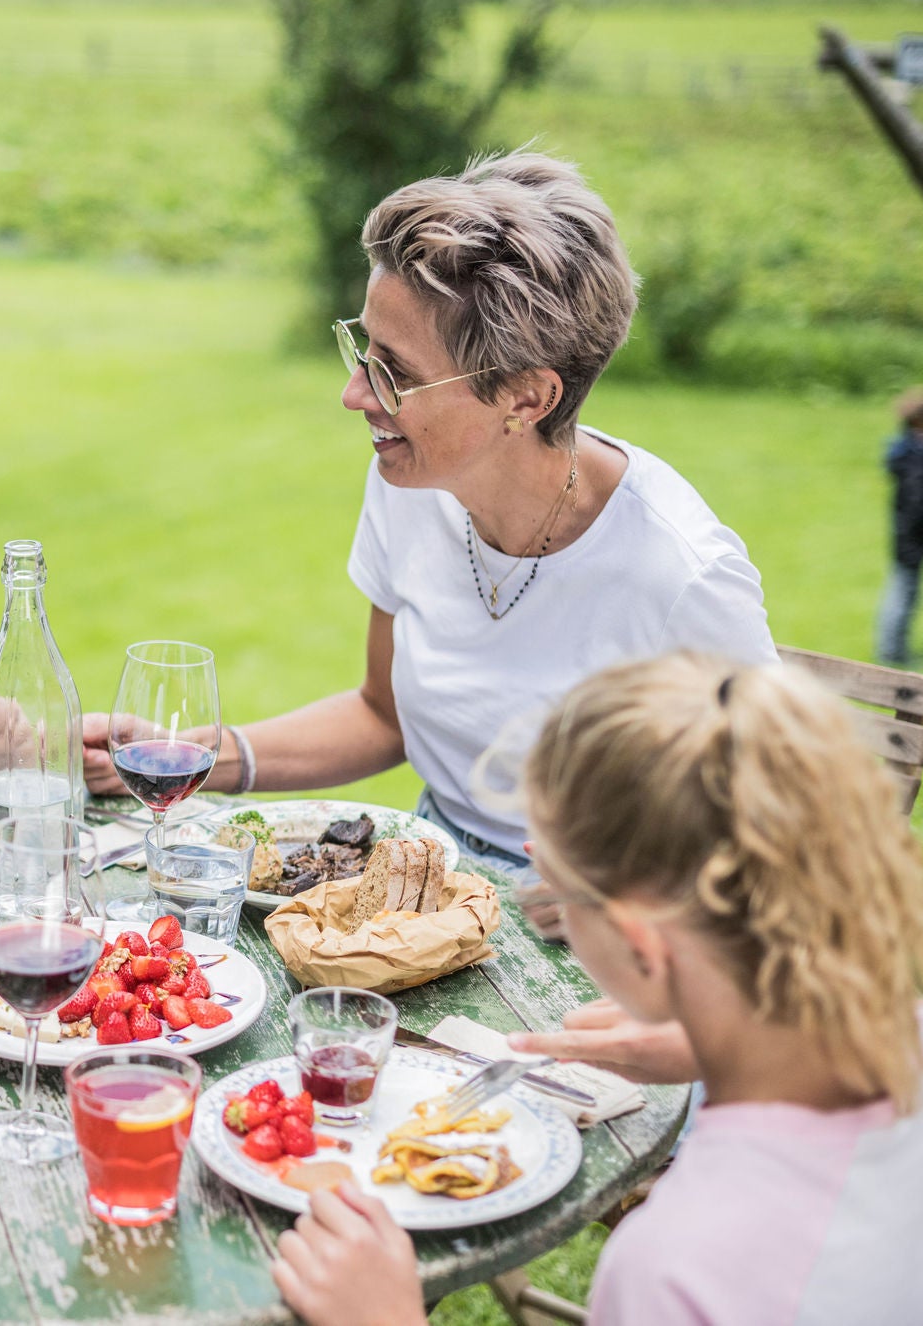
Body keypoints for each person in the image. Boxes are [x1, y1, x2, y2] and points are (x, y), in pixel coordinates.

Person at [85, 153, 776, 884]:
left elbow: (780, 839)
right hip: (424, 874)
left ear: (527, 398)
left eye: (396, 373)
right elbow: (383, 714)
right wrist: (189, 756)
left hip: (604, 930)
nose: (355, 395)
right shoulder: (409, 482)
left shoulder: (683, 576)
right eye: (363, 351)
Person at [271, 652, 923, 1326]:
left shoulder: (676, 1268)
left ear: (642, 945)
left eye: (554, 876)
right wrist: (712, 1039)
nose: (531, 867)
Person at [875, 385, 923, 666]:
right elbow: (918, 502)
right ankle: (893, 652)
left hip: (907, 537)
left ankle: (893, 648)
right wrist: (922, 538)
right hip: (912, 540)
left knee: (901, 590)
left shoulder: (912, 449)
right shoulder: (918, 454)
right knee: (904, 593)